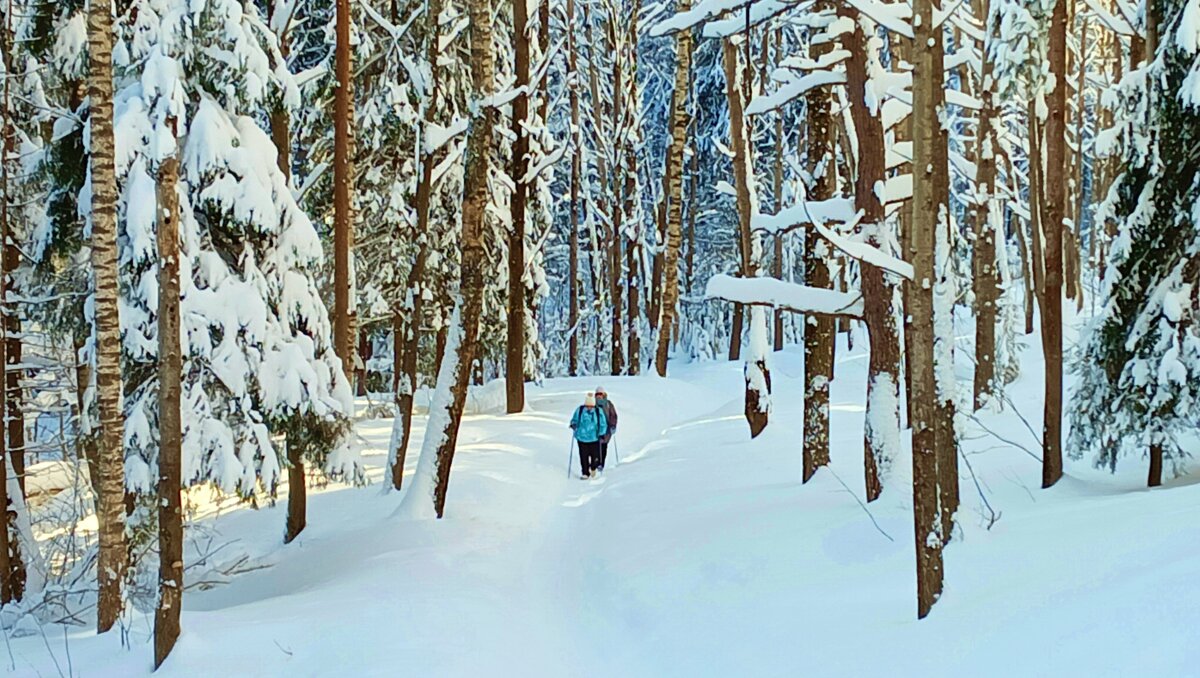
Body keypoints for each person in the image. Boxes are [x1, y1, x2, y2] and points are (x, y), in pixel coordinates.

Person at [570, 393, 608, 478]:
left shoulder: (598, 412)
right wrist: (573, 424)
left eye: (591, 406)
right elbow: (574, 420)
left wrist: (602, 433)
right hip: (581, 438)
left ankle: (593, 468)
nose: (589, 408)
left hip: (594, 438)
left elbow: (603, 423)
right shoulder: (580, 410)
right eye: (587, 406)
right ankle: (585, 473)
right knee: (584, 456)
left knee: (595, 457)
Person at [595, 386, 618, 471]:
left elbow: (613, 415)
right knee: (595, 447)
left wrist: (613, 425)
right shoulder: (593, 404)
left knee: (604, 446)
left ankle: (601, 464)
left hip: (607, 430)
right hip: (596, 429)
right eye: (597, 394)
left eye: (600, 394)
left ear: (604, 394)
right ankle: (595, 463)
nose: (598, 396)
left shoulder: (608, 404)